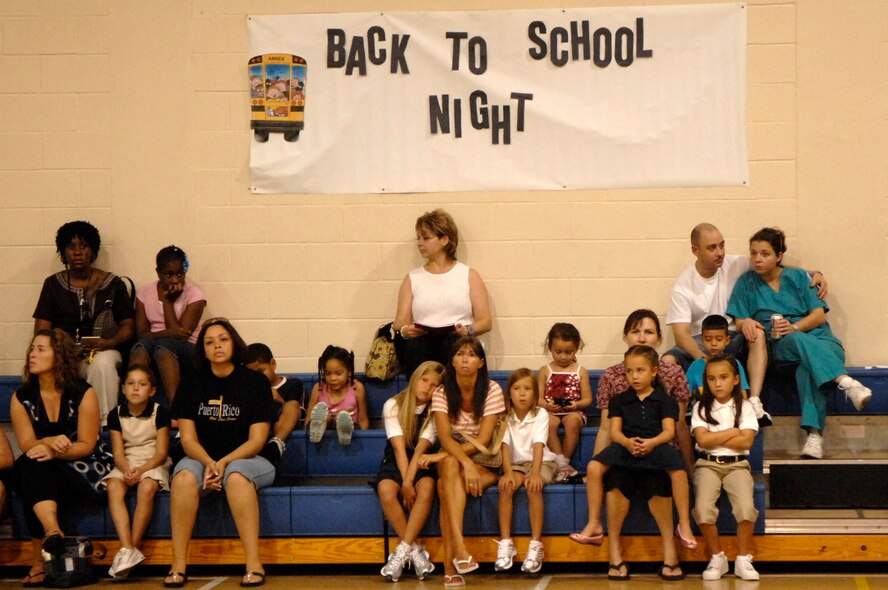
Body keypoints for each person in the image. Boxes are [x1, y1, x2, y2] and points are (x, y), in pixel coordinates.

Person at [726, 227, 872, 459]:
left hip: (821, 341)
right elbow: (739, 318)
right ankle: (845, 382)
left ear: (779, 256)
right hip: (781, 347)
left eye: (765, 253)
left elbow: (818, 315)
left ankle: (814, 437)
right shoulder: (746, 283)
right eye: (753, 253)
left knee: (808, 367)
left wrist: (794, 326)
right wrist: (746, 324)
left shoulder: (797, 277)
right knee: (795, 343)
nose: (757, 259)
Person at [663, 222, 827, 425]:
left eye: (722, 245)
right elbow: (681, 336)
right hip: (703, 342)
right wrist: (707, 361)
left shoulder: (735, 264)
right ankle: (674, 417)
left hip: (734, 338)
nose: (720, 252)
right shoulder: (683, 285)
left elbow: (773, 264)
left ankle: (754, 402)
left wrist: (812, 273)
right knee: (668, 360)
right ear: (695, 251)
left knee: (756, 331)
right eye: (712, 248)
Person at [166, 318, 276, 588]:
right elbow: (188, 438)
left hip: (250, 460)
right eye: (209, 342)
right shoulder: (191, 384)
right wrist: (208, 462)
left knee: (236, 477)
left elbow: (258, 440)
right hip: (201, 458)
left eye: (223, 339)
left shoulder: (255, 383)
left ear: (234, 343)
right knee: (182, 479)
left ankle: (253, 564)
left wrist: (224, 463)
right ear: (203, 350)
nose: (217, 345)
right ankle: (178, 565)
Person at [572, 346, 691, 581]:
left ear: (654, 371)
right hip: (627, 448)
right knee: (595, 467)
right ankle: (594, 523)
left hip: (655, 447)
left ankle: (684, 525)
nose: (634, 376)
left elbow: (670, 432)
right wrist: (627, 442)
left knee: (679, 472)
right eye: (629, 371)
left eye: (640, 370)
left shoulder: (665, 400)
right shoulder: (619, 400)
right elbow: (614, 431)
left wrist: (651, 443)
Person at [10, 329, 111, 587]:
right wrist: (47, 444)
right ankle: (53, 531)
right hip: (44, 468)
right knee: (33, 466)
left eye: (41, 349)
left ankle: (38, 561)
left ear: (60, 356)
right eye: (32, 349)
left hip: (82, 467)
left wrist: (55, 450)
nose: (32, 354)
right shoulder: (21, 397)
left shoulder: (83, 393)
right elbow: (26, 443)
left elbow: (87, 445)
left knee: (33, 471)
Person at [33, 221, 135, 423]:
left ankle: (105, 426)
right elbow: (42, 330)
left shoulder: (113, 284)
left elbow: (128, 326)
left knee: (102, 364)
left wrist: (109, 343)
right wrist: (63, 350)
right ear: (63, 252)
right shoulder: (52, 285)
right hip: (65, 355)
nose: (77, 252)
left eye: (84, 246)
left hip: (103, 350)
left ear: (93, 250)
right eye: (71, 247)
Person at [423, 336, 505, 587]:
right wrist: (463, 463)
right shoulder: (441, 392)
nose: (465, 359)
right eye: (460, 354)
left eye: (471, 354)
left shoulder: (492, 389)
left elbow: (484, 438)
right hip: (456, 452)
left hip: (484, 453)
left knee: (443, 484)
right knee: (448, 468)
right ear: (452, 361)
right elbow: (446, 438)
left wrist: (464, 461)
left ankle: (451, 566)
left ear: (481, 361)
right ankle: (459, 551)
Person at [392, 209, 493, 377]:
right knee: (415, 346)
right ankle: (421, 399)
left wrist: (468, 331)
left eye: (426, 238)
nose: (420, 243)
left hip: (456, 341)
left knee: (455, 344)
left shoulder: (469, 275)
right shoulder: (412, 278)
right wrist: (405, 331)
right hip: (423, 343)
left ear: (444, 240)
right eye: (418, 238)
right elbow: (399, 323)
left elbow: (485, 322)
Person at [692, 354, 760, 581]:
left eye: (723, 377)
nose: (717, 383)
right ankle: (717, 557)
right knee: (702, 509)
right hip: (707, 464)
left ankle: (743, 558)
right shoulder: (701, 407)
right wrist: (732, 431)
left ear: (736, 379)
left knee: (746, 508)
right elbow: (702, 441)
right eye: (711, 379)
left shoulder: (746, 407)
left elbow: (746, 441)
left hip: (737, 465)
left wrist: (715, 436)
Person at [377, 361, 444, 582]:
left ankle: (402, 549)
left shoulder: (435, 412)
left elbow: (421, 450)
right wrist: (405, 482)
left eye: (434, 385)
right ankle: (415, 550)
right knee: (386, 489)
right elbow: (398, 448)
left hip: (421, 460)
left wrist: (409, 482)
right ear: (415, 379)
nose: (427, 388)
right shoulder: (393, 405)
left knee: (426, 486)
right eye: (425, 381)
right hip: (396, 458)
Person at [103, 364, 172, 579]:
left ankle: (133, 546)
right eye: (131, 384)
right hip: (127, 462)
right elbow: (118, 452)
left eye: (142, 384)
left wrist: (141, 470)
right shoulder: (115, 414)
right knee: (114, 487)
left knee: (147, 487)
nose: (135, 389)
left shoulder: (160, 412)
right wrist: (126, 470)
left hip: (153, 462)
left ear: (151, 390)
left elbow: (161, 453)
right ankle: (127, 549)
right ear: (123, 388)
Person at [495, 368, 556, 574]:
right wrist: (507, 473)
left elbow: (539, 445)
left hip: (541, 462)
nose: (522, 394)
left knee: (533, 487)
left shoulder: (540, 414)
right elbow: (504, 445)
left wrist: (536, 473)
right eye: (517, 388)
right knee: (507, 487)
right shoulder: (503, 415)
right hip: (515, 464)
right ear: (509, 392)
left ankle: (536, 545)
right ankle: (505, 544)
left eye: (528, 389)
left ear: (535, 394)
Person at [130, 245, 207, 405]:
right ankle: (135, 405)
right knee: (140, 347)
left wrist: (167, 302)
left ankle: (176, 408)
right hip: (156, 342)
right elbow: (142, 333)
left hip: (189, 350)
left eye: (180, 274)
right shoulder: (145, 293)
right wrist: (166, 334)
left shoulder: (195, 295)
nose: (175, 280)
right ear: (158, 273)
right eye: (168, 274)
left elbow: (181, 336)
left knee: (165, 346)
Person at [537, 323, 593, 482]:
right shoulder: (545, 370)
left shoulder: (580, 370)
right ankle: (561, 464)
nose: (563, 357)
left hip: (574, 411)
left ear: (577, 348)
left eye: (569, 352)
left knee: (573, 421)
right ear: (550, 348)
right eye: (558, 352)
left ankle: (565, 462)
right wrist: (547, 405)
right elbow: (538, 398)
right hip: (550, 411)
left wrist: (576, 405)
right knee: (547, 422)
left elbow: (587, 399)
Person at [245, 343, 304, 467]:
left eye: (261, 372)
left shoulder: (293, 384)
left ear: (272, 364)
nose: (257, 378)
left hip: (280, 423)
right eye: (252, 375)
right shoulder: (249, 389)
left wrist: (280, 400)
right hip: (259, 426)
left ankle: (276, 444)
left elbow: (297, 411)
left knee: (292, 405)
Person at [685, 315, 754, 418]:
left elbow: (742, 393)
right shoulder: (695, 367)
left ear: (727, 340)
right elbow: (686, 396)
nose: (713, 344)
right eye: (708, 339)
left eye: (719, 339)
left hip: (730, 415)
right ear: (702, 340)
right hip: (703, 416)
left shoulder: (735, 364)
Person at [304, 345, 369, 446]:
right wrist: (309, 427)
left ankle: (343, 429)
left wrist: (365, 440)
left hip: (352, 432)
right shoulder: (318, 388)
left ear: (349, 372)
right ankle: (320, 426)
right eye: (328, 373)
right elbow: (308, 417)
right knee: (324, 418)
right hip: (325, 433)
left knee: (344, 420)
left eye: (338, 373)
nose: (333, 378)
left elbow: (363, 419)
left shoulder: (357, 388)